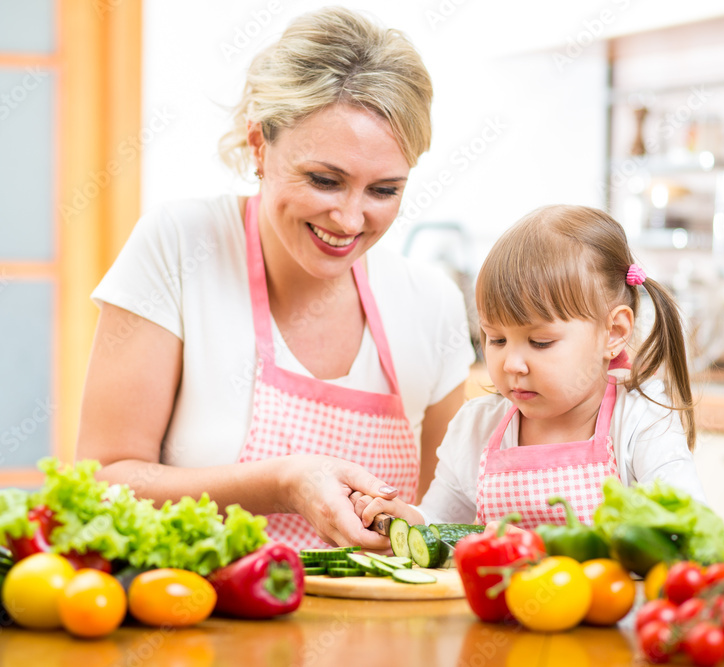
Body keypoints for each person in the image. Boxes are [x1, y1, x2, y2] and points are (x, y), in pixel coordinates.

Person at [76, 7, 474, 550]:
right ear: (260, 144)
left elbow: (445, 521)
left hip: (380, 633)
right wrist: (282, 483)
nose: (350, 220)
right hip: (197, 622)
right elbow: (103, 484)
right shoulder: (182, 244)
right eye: (325, 180)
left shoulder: (431, 304)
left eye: (384, 190)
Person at [355, 205, 705, 531]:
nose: (512, 364)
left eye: (540, 342)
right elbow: (440, 525)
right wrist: (408, 521)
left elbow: (685, 524)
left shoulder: (641, 423)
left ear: (613, 333)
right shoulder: (476, 428)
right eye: (496, 339)